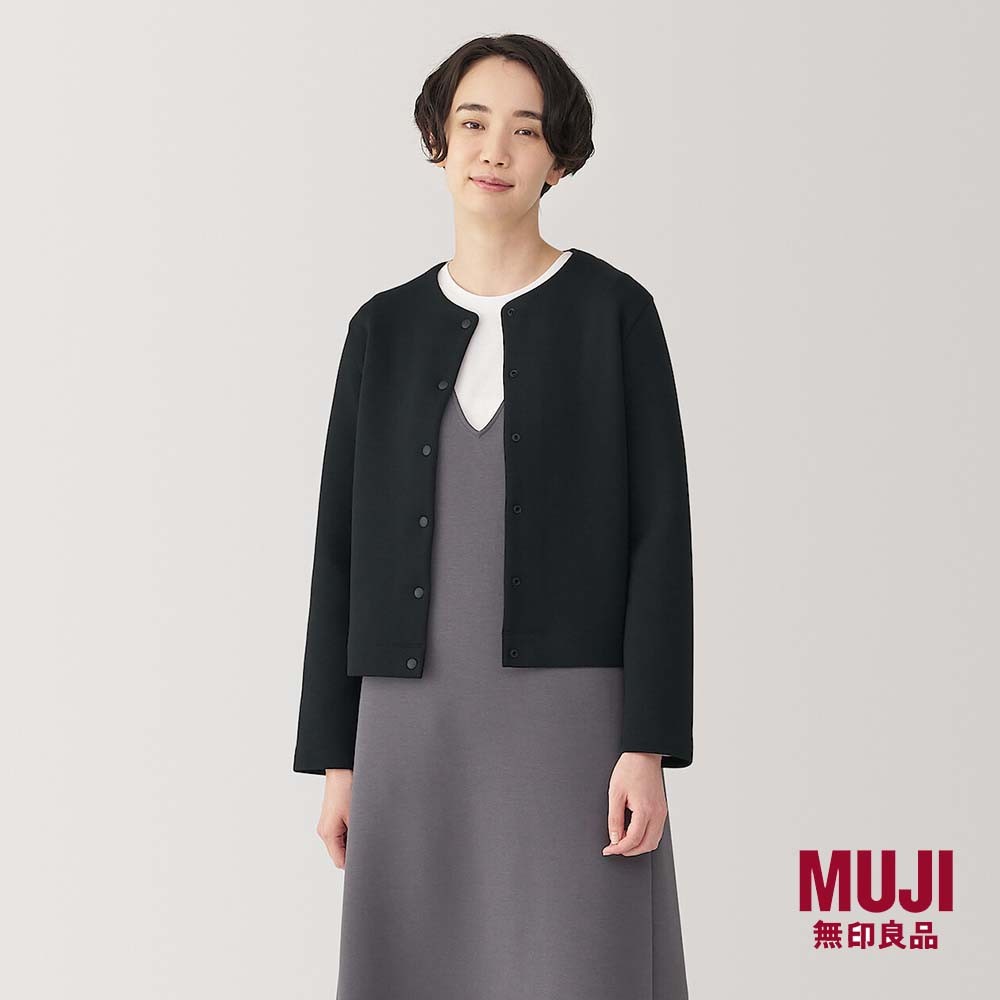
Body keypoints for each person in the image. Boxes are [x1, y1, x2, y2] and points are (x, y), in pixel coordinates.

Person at [294, 33, 693, 1000]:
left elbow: (661, 539)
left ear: (560, 158)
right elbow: (340, 549)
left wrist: (647, 741)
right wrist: (338, 757)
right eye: (473, 123)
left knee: (576, 964)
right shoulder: (382, 330)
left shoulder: (616, 314)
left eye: (526, 130)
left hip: (573, 724)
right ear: (439, 140)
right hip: (409, 724)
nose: (495, 150)